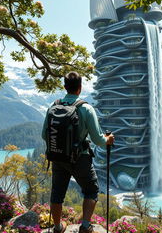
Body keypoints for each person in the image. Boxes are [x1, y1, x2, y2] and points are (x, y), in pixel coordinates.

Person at [42, 71, 114, 233]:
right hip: (80, 158)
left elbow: (43, 135)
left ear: (65, 86)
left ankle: (57, 227)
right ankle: (85, 227)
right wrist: (109, 139)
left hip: (58, 157)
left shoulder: (53, 107)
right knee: (91, 190)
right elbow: (98, 140)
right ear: (80, 88)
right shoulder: (86, 108)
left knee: (57, 193)